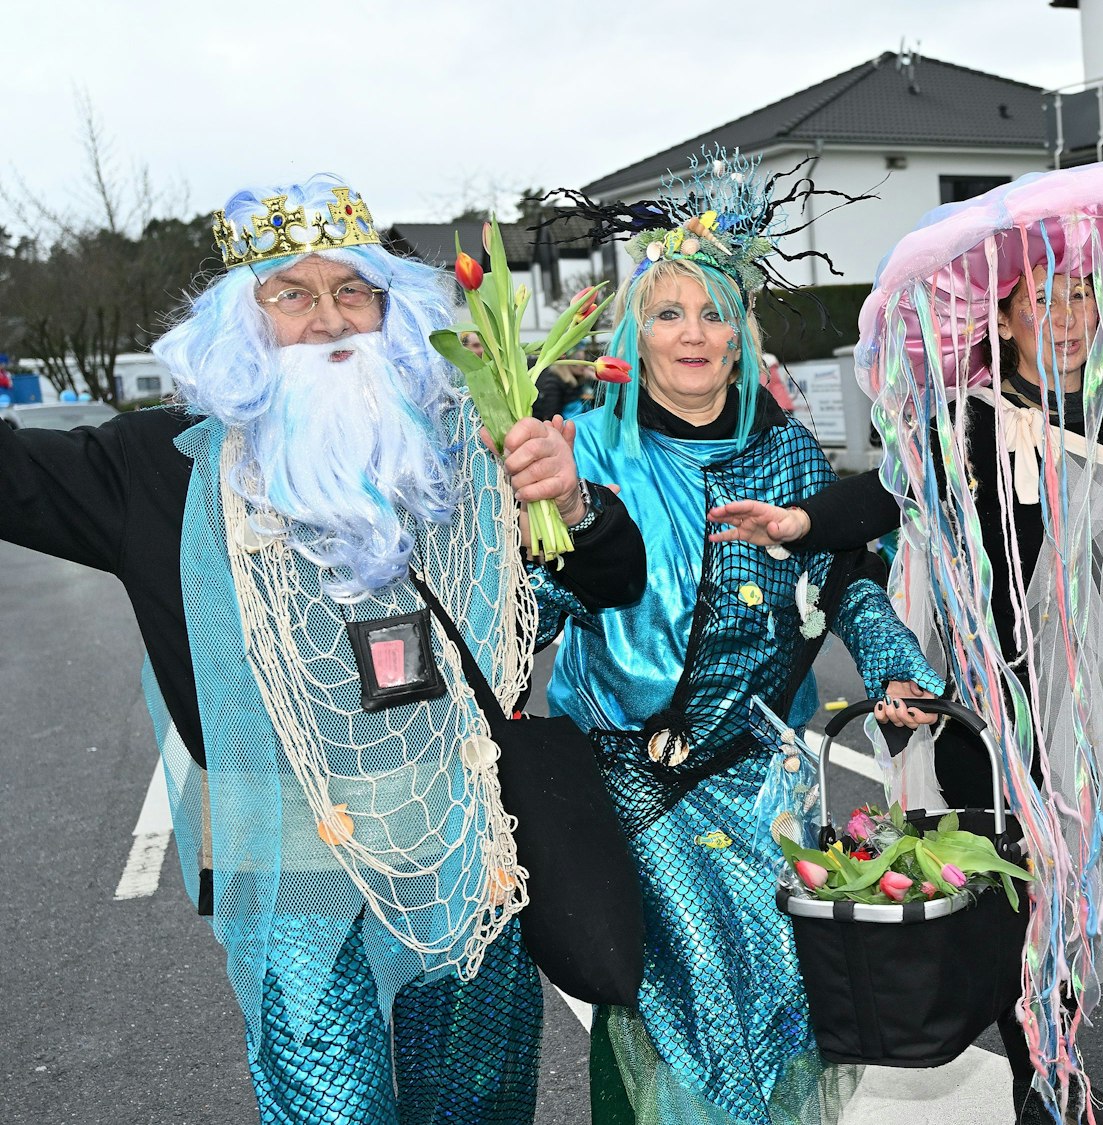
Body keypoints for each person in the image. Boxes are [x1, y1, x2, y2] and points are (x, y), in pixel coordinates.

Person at [0, 174, 647, 1124]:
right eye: (290, 294)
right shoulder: (158, 468)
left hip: (460, 830)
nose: (328, 318)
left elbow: (615, 578)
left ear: (392, 310)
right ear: (240, 324)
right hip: (288, 851)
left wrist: (578, 504)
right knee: (328, 1108)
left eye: (354, 291)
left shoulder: (466, 446)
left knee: (474, 1103)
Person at [709, 155, 1103, 1125]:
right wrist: (796, 524)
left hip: (1097, 703)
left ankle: (1059, 1045)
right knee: (1005, 892)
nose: (1071, 316)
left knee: (1072, 894)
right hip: (986, 703)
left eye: (1083, 295)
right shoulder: (968, 421)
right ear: (1003, 319)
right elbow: (884, 491)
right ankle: (1040, 1076)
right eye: (1047, 299)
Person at [543, 152, 944, 1125]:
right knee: (691, 998)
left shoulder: (786, 447)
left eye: (712, 312)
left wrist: (895, 666)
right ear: (634, 328)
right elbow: (533, 603)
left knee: (787, 987)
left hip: (769, 774)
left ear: (739, 335)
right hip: (633, 777)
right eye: (667, 311)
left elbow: (845, 583)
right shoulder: (585, 445)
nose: (691, 332)